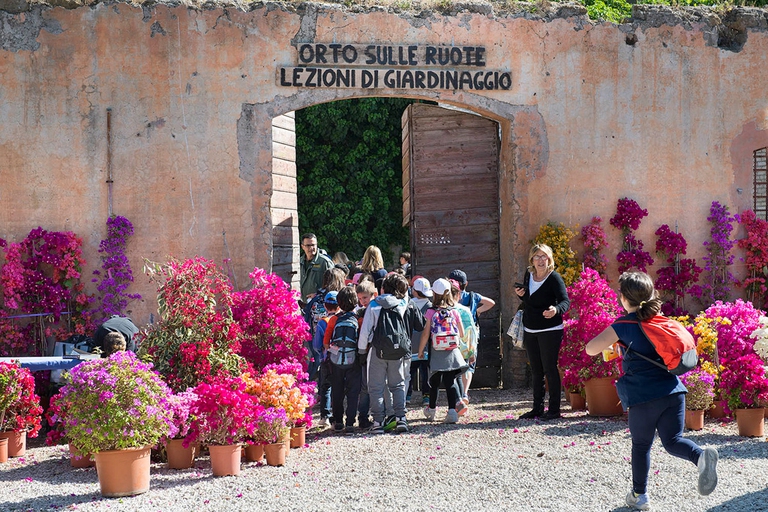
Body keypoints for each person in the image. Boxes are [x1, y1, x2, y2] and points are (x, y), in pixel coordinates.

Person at [585, 271, 719, 510]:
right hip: (674, 392)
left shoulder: (623, 325)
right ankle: (700, 456)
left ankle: (640, 495)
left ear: (624, 298)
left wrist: (616, 339)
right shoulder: (661, 322)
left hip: (643, 397)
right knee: (673, 440)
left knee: (641, 445)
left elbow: (591, 349)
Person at [358, 273, 425, 434]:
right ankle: (401, 418)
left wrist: (361, 351)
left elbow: (366, 331)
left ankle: (378, 422)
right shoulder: (402, 304)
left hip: (377, 351)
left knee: (376, 387)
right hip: (398, 351)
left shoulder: (374, 305)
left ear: (383, 288)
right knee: (398, 385)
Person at [514, 244, 570, 421]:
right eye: (536, 256)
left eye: (543, 256)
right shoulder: (528, 275)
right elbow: (530, 301)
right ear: (532, 259)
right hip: (531, 328)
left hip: (550, 330)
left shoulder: (554, 278)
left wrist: (556, 309)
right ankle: (536, 409)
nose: (540, 260)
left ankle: (554, 410)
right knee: (536, 371)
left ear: (549, 259)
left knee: (550, 369)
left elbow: (565, 302)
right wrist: (521, 294)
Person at [418, 278, 466, 424]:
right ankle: (452, 412)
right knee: (450, 381)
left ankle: (431, 410)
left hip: (436, 350)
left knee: (434, 381)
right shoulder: (454, 311)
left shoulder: (431, 311)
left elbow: (426, 333)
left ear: (434, 293)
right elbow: (462, 333)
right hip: (452, 351)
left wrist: (420, 350)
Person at [447, 269, 496, 403]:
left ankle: (456, 392)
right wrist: (478, 311)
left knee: (455, 363)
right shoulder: (473, 296)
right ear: (466, 283)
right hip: (470, 334)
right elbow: (491, 302)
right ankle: (464, 393)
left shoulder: (449, 298)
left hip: (454, 333)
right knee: (469, 363)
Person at [323, 286, 362, 434]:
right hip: (354, 360)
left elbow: (326, 343)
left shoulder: (333, 319)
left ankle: (338, 421)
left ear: (339, 303)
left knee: (337, 390)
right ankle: (350, 422)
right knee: (353, 392)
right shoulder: (358, 319)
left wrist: (335, 350)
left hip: (336, 361)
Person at [303, 267, 347, 380]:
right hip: (338, 340)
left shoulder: (317, 298)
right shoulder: (341, 299)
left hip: (318, 338)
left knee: (320, 363)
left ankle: (312, 385)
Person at [312, 291, 340, 428]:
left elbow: (317, 344)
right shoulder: (342, 319)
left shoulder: (323, 322)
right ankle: (337, 417)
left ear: (325, 305)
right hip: (342, 359)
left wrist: (321, 353)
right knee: (338, 388)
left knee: (325, 387)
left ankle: (325, 416)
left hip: (326, 358)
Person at [406, 277, 432, 406]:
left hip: (411, 346)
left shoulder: (409, 304)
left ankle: (407, 395)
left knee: (409, 372)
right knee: (426, 372)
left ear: (415, 291)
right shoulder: (430, 306)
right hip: (426, 346)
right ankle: (426, 396)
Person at [300, 233, 334, 303]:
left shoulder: (325, 262)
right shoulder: (299, 262)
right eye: (308, 245)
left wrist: (318, 295)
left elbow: (334, 285)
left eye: (313, 245)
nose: (311, 248)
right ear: (302, 247)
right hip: (302, 304)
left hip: (319, 304)